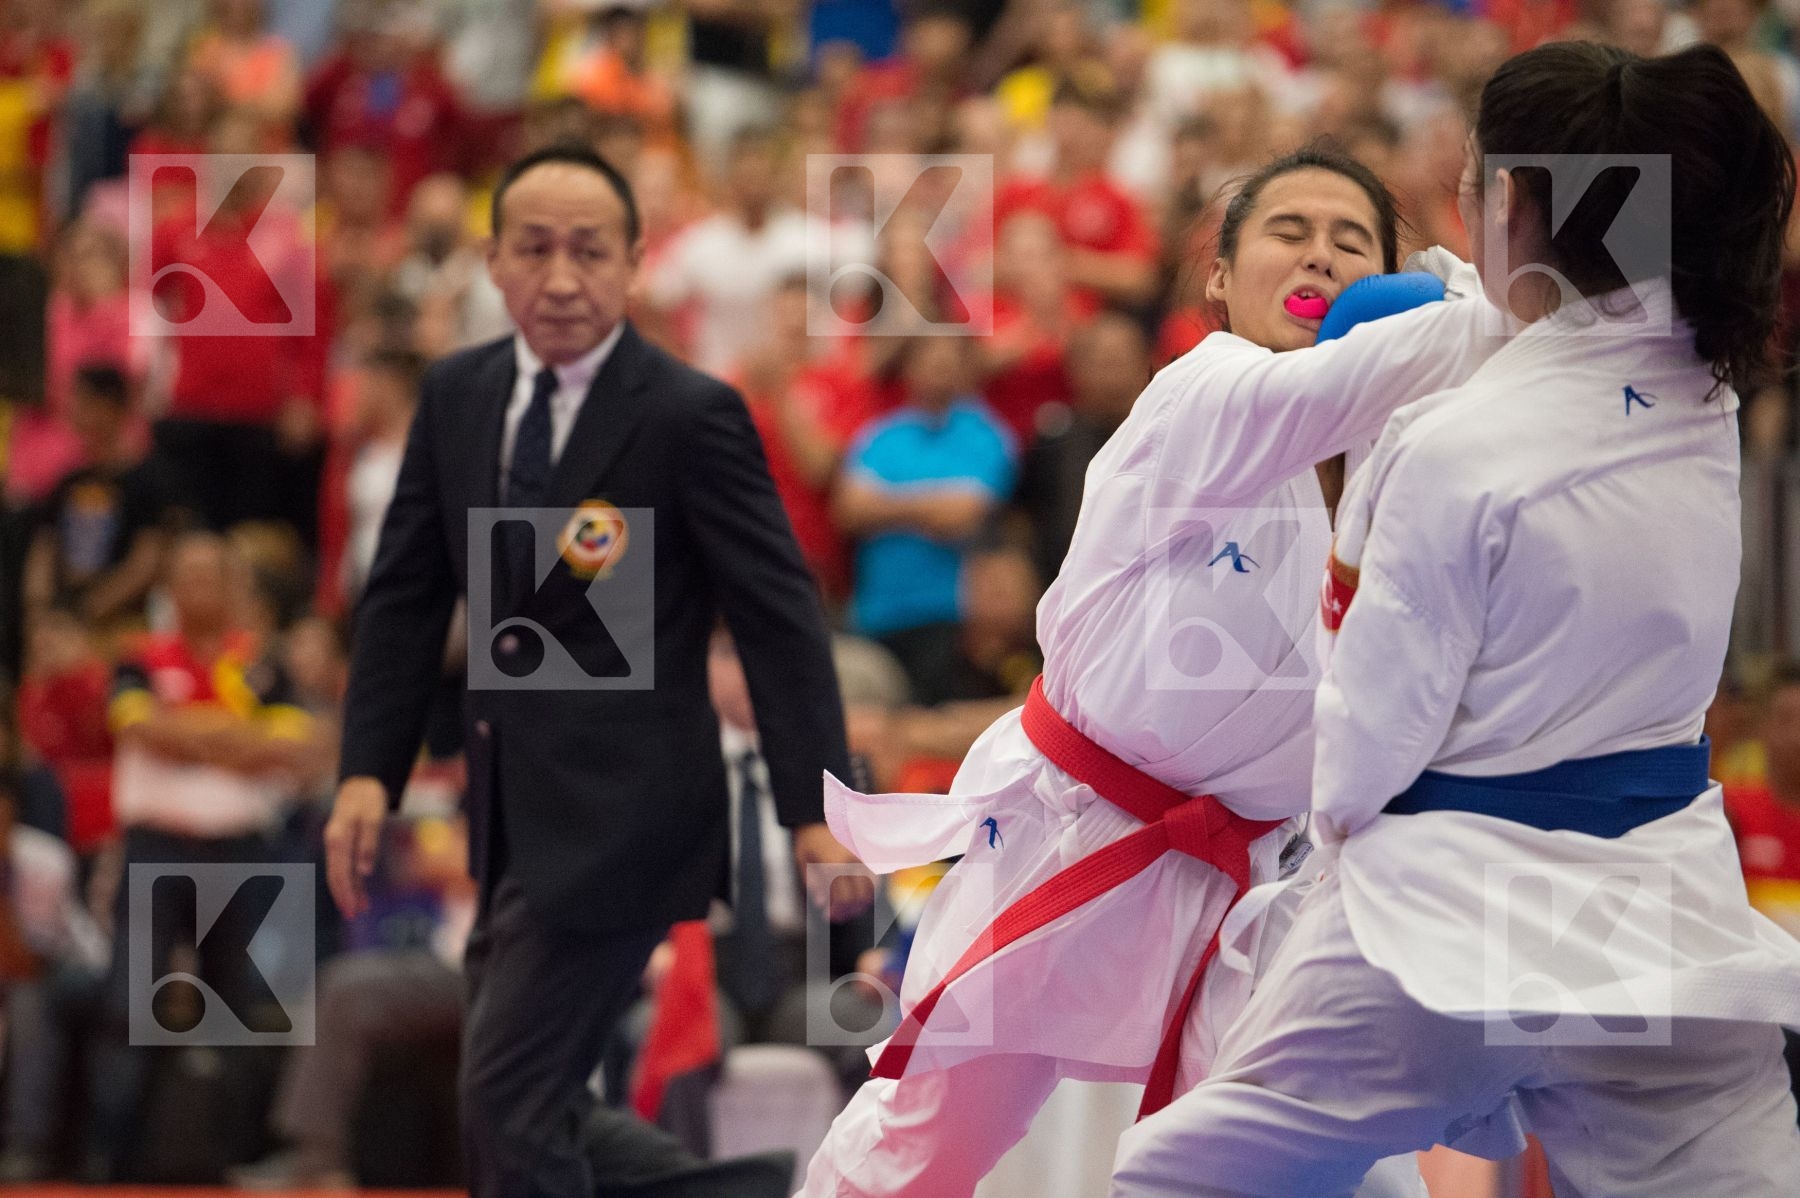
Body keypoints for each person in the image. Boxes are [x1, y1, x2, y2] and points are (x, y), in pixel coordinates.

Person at [1110, 43, 1800, 1198]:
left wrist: (1326, 866)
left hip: (1441, 931)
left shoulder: (1449, 446)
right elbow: (1573, 331)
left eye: (1473, 177)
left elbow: (1372, 737)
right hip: (1660, 921)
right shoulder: (1706, 388)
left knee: (1182, 1181)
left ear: (1514, 203)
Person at [798, 144, 1506, 1197]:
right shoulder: (1201, 391)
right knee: (928, 1140)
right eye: (1289, 232)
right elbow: (1436, 354)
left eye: (1351, 242)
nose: (1320, 257)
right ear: (1218, 277)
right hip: (1078, 833)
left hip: (1254, 875)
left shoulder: (1397, 470)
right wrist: (1467, 285)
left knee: (1343, 1167)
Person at [324, 142, 871, 1198]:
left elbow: (779, 619)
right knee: (530, 1108)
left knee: (507, 1103)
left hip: (633, 815)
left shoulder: (688, 413)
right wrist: (366, 770)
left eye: (589, 251)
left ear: (634, 264)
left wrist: (815, 805)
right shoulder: (458, 395)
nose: (562, 277)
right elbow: (402, 600)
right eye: (535, 250)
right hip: (504, 813)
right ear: (493, 262)